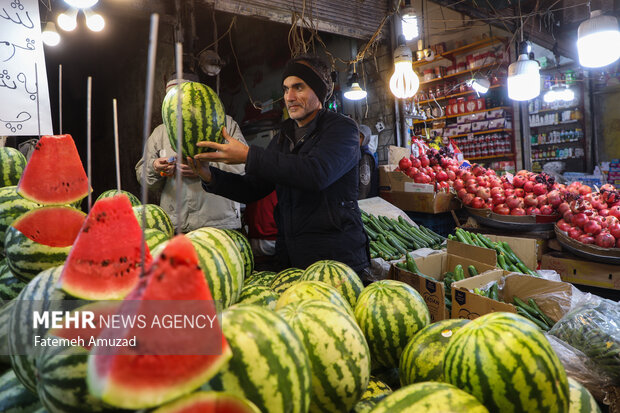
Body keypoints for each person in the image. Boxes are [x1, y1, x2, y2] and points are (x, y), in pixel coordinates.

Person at [187, 54, 370, 273]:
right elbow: (252, 188)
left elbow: (316, 174)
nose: (289, 97)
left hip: (337, 259)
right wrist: (210, 176)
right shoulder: (284, 136)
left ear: (318, 91)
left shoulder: (342, 129)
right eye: (285, 89)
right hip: (291, 258)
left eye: (298, 87)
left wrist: (249, 155)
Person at [135, 75, 248, 233]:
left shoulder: (225, 124)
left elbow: (243, 166)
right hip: (177, 225)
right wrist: (155, 167)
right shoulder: (160, 133)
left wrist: (208, 168)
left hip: (219, 223)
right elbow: (143, 178)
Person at [358, 124, 378, 200]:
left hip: (366, 199)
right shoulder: (359, 153)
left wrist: (360, 201)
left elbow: (364, 184)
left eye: (360, 137)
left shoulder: (364, 156)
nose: (356, 139)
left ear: (366, 139)